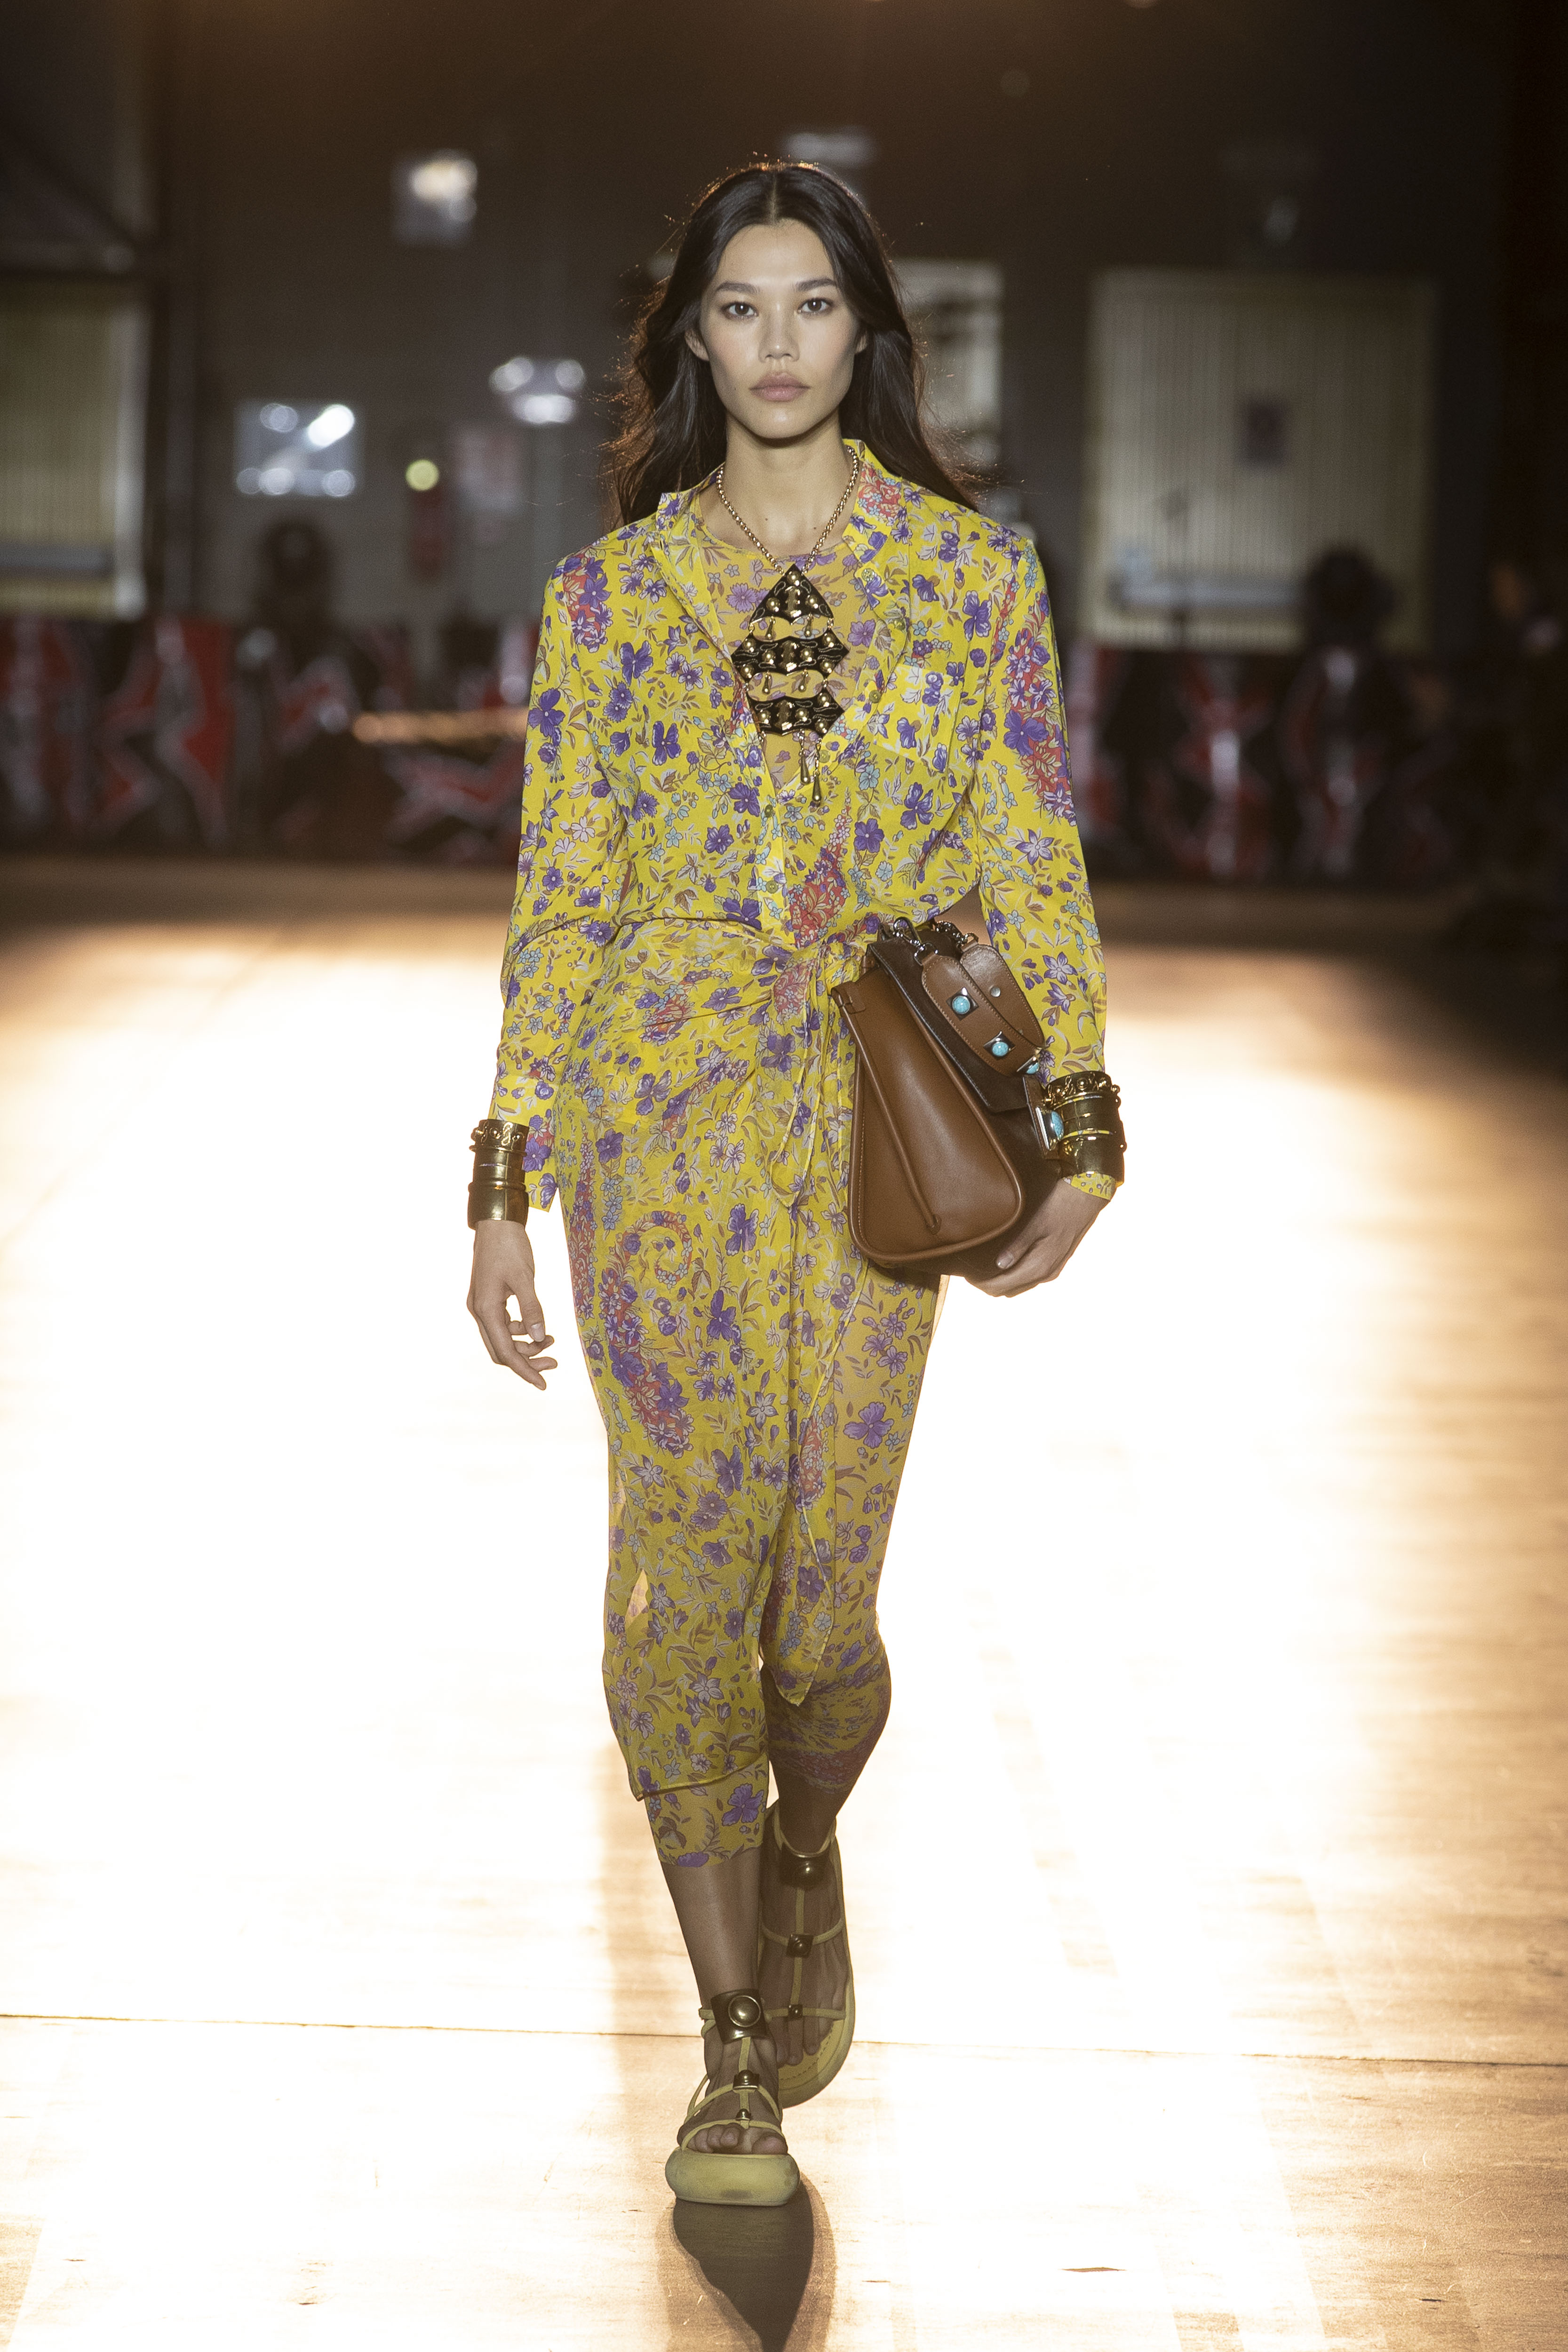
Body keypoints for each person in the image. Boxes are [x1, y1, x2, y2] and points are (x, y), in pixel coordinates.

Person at [465, 162, 1120, 2207]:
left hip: (874, 1128)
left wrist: (1080, 1120)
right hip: (654, 1121)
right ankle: (731, 2042)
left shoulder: (974, 580)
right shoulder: (606, 603)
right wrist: (505, 1174)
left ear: (864, 334)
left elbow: (1030, 853)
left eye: (811, 305)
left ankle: (802, 1835)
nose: (774, 343)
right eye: (738, 307)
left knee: (824, 1619)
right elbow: (563, 894)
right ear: (692, 338)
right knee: (686, 1560)